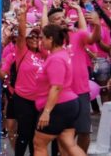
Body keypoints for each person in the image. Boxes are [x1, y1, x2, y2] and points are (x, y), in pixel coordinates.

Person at [32, 24, 85, 156]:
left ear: (50, 39)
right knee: (68, 144)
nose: (41, 41)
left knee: (39, 144)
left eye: (43, 38)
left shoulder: (56, 59)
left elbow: (56, 87)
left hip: (59, 106)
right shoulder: (61, 54)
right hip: (67, 104)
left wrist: (47, 112)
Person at [10, 8, 45, 156]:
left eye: (37, 37)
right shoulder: (22, 51)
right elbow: (23, 32)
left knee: (36, 137)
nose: (34, 40)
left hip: (40, 101)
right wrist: (23, 15)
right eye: (31, 37)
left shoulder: (46, 54)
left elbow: (46, 29)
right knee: (24, 134)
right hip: (23, 99)